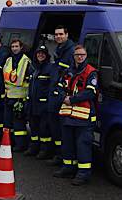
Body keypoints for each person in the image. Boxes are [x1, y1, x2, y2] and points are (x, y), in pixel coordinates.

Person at [53, 44, 98, 186]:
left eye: (82, 55)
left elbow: (90, 92)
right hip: (68, 115)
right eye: (77, 54)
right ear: (73, 56)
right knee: (67, 144)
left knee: (82, 145)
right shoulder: (68, 71)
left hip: (84, 118)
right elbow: (59, 88)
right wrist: (63, 98)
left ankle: (83, 174)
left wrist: (71, 99)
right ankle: (68, 168)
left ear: (86, 56)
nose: (79, 57)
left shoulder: (91, 72)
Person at [47, 25, 75, 166]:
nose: (58, 36)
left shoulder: (71, 51)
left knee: (63, 128)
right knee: (55, 126)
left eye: (61, 34)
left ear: (67, 35)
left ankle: (63, 156)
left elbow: (70, 75)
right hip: (55, 93)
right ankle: (58, 154)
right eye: (56, 34)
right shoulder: (60, 49)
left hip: (63, 95)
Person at [25, 44, 54, 157]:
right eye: (38, 53)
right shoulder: (33, 68)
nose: (40, 55)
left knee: (44, 129)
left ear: (46, 55)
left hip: (43, 105)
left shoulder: (50, 68)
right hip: (33, 104)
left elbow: (52, 87)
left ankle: (44, 150)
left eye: (43, 53)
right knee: (34, 127)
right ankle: (34, 147)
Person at [3, 38, 30, 152]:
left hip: (19, 97)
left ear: (21, 47)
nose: (14, 48)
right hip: (8, 95)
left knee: (19, 123)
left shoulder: (26, 61)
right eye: (12, 46)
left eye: (16, 46)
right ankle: (9, 143)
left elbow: (27, 79)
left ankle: (20, 145)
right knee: (8, 122)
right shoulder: (9, 60)